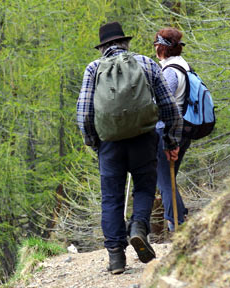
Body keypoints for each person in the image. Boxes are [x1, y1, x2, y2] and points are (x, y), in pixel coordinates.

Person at [76, 21, 183, 274]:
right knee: (144, 188)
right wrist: (171, 140)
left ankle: (116, 258)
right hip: (144, 138)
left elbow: (83, 115)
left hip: (109, 145)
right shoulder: (146, 64)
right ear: (126, 43)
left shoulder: (93, 69)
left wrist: (94, 142)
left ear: (102, 47)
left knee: (111, 197)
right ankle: (138, 228)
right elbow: (169, 107)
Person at [153, 27, 191, 232]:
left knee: (165, 180)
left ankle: (177, 224)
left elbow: (162, 103)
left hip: (168, 131)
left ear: (161, 47)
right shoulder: (184, 66)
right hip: (185, 128)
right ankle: (181, 217)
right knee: (169, 179)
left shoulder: (169, 72)